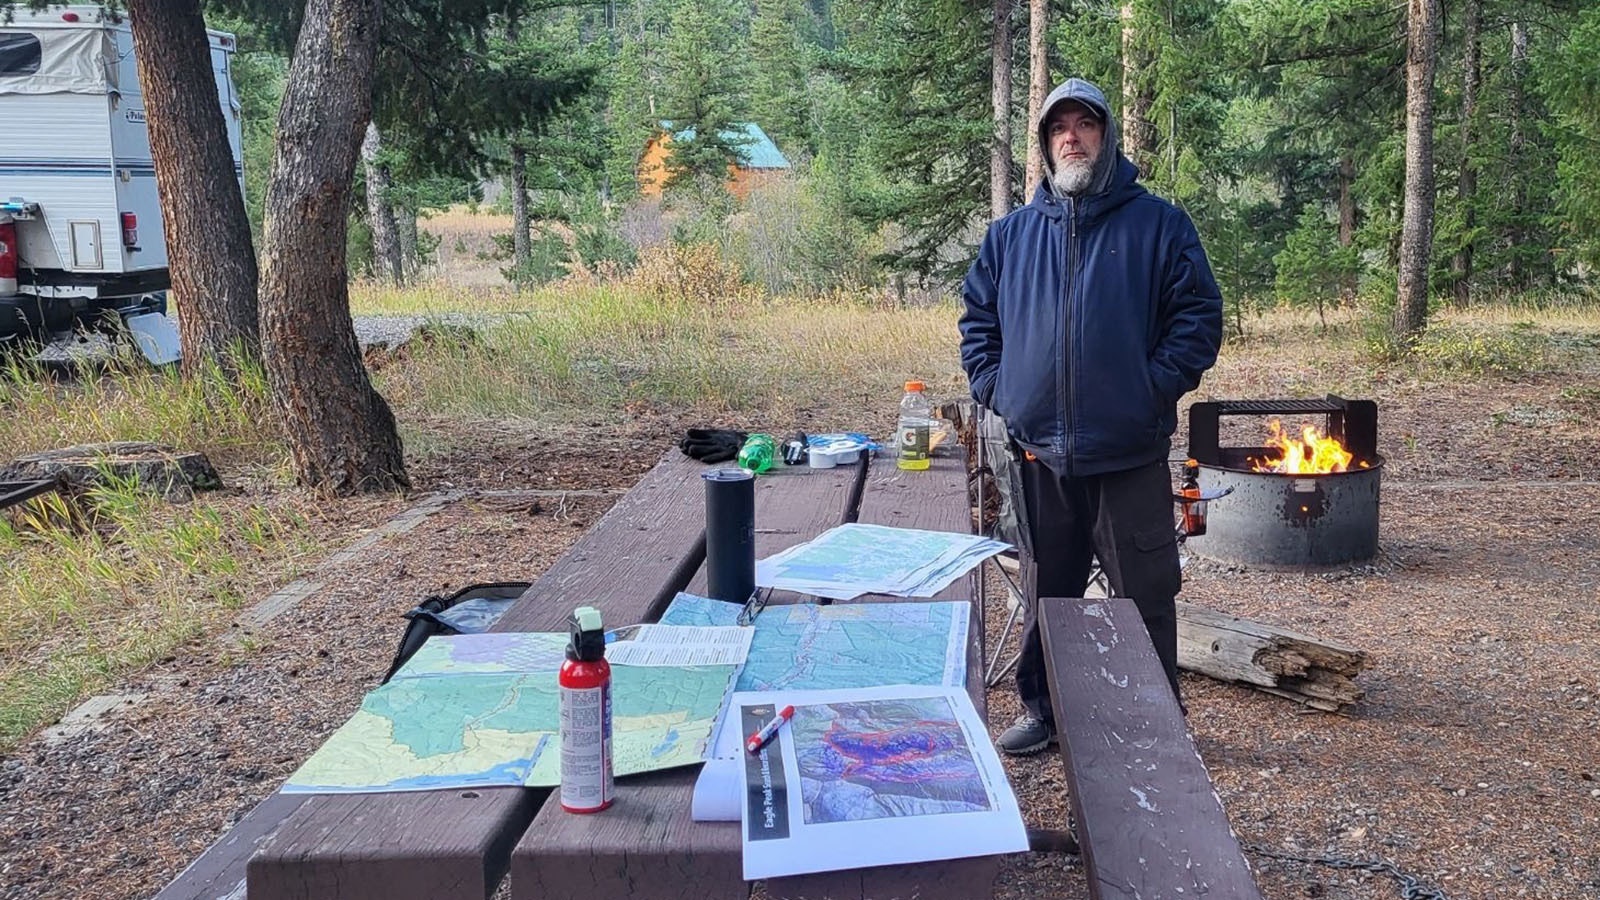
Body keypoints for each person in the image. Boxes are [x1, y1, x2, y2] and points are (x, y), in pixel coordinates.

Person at [959, 77, 1223, 755]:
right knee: (1051, 591)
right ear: (1047, 146)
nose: (1070, 136)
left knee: (1146, 594)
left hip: (1128, 453)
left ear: (1106, 137)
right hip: (1038, 452)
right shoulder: (1011, 238)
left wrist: (1150, 389)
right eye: (1058, 129)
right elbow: (978, 324)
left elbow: (1197, 320)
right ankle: (1047, 712)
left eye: (1083, 124)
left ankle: (1158, 723)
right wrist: (1001, 390)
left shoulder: (1159, 226)